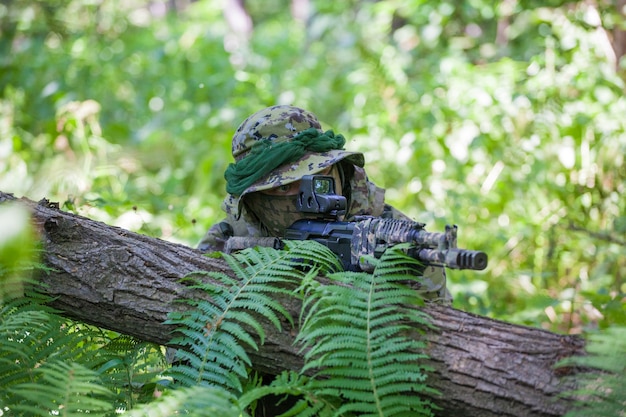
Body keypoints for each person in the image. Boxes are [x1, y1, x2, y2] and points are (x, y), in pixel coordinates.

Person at [198, 104, 451, 303]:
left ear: (339, 170)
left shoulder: (392, 236)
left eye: (318, 177)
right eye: (285, 186)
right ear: (255, 199)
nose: (309, 195)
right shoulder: (229, 239)